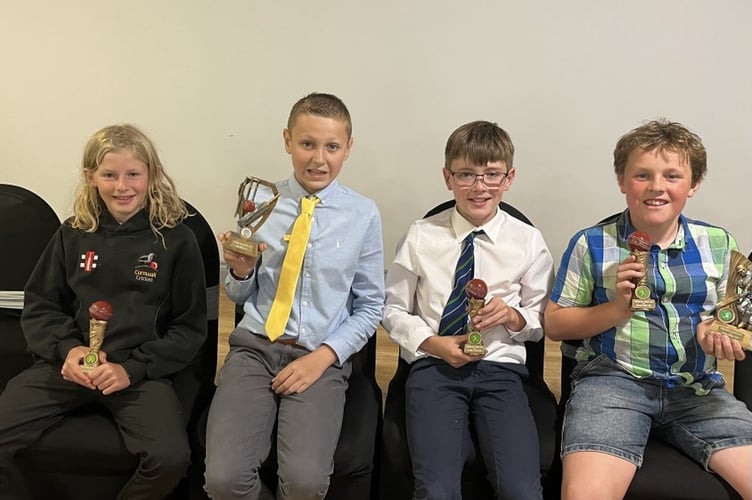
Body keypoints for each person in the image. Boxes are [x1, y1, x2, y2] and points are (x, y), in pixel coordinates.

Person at [545, 119, 752, 500]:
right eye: (642, 175)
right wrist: (616, 308)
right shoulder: (592, 243)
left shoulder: (719, 244)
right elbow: (555, 324)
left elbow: (730, 318)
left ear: (693, 185)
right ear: (622, 181)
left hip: (698, 390)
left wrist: (717, 331)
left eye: (672, 175)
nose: (657, 187)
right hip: (612, 385)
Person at [0, 124, 207, 499]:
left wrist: (133, 369)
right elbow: (41, 305)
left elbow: (189, 329)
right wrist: (68, 350)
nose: (122, 186)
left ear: (152, 175)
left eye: (133, 174)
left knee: (170, 458)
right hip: (69, 366)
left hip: (138, 375)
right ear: (90, 177)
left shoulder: (176, 240)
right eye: (109, 175)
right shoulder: (72, 234)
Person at [204, 92, 384, 500]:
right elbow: (239, 292)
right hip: (254, 348)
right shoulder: (260, 203)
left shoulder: (363, 215)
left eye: (332, 147)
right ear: (287, 141)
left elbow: (372, 306)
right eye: (307, 144)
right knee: (223, 481)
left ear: (348, 148)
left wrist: (324, 357)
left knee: (305, 483)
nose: (319, 159)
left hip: (318, 354)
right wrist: (240, 271)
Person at [382, 120, 554, 500]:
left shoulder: (528, 241)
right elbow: (393, 309)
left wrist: (512, 316)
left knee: (522, 489)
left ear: (509, 178)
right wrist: (431, 343)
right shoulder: (420, 236)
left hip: (501, 370)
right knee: (437, 489)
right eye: (466, 175)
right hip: (433, 368)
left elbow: (541, 318)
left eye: (491, 175)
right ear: (447, 177)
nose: (479, 187)